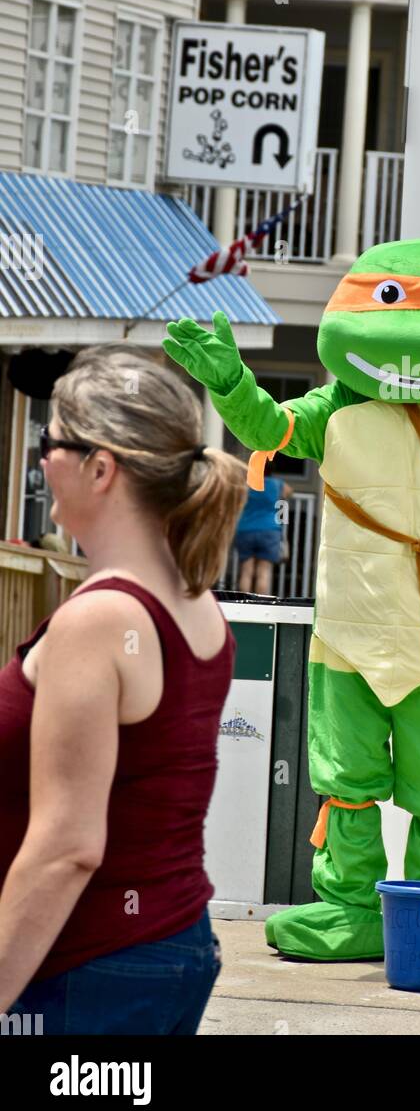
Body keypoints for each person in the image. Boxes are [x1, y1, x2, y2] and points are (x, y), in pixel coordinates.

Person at [0, 345, 247, 1034]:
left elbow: (67, 847)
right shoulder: (191, 603)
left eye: (50, 442)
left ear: (100, 467)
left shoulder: (102, 620)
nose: (40, 460)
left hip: (83, 971)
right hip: (163, 947)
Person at [235, 455, 293, 595]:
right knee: (264, 571)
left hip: (245, 529)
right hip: (269, 530)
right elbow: (289, 492)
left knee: (246, 571)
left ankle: (244, 606)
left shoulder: (247, 483)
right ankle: (261, 607)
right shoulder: (277, 484)